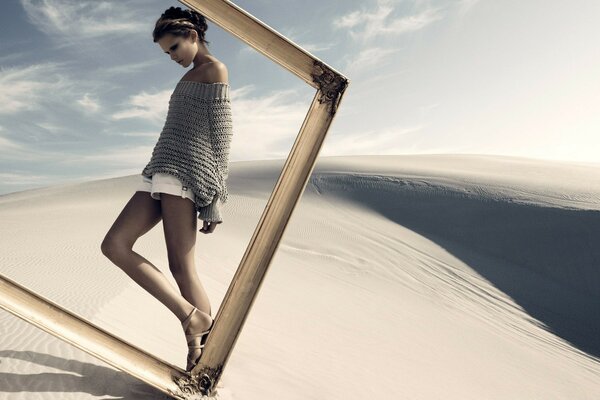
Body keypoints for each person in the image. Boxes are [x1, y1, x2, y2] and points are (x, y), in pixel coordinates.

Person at [101, 6, 233, 372]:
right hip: (158, 172)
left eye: (174, 47)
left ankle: (204, 361)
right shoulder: (192, 74)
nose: (172, 57)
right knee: (113, 245)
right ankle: (191, 317)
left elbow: (221, 137)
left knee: (182, 267)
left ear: (192, 35)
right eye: (167, 52)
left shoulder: (214, 70)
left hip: (185, 175)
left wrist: (214, 200)